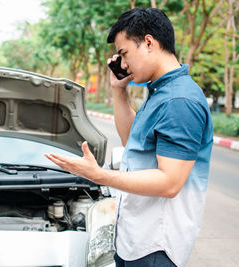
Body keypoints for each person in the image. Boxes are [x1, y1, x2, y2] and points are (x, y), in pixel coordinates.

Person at [45, 8, 213, 267]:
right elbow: (132, 143)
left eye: (124, 53)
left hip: (156, 247)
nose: (123, 64)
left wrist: (98, 175)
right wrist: (118, 91)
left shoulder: (179, 101)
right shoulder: (160, 92)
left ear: (148, 42)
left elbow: (169, 182)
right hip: (134, 239)